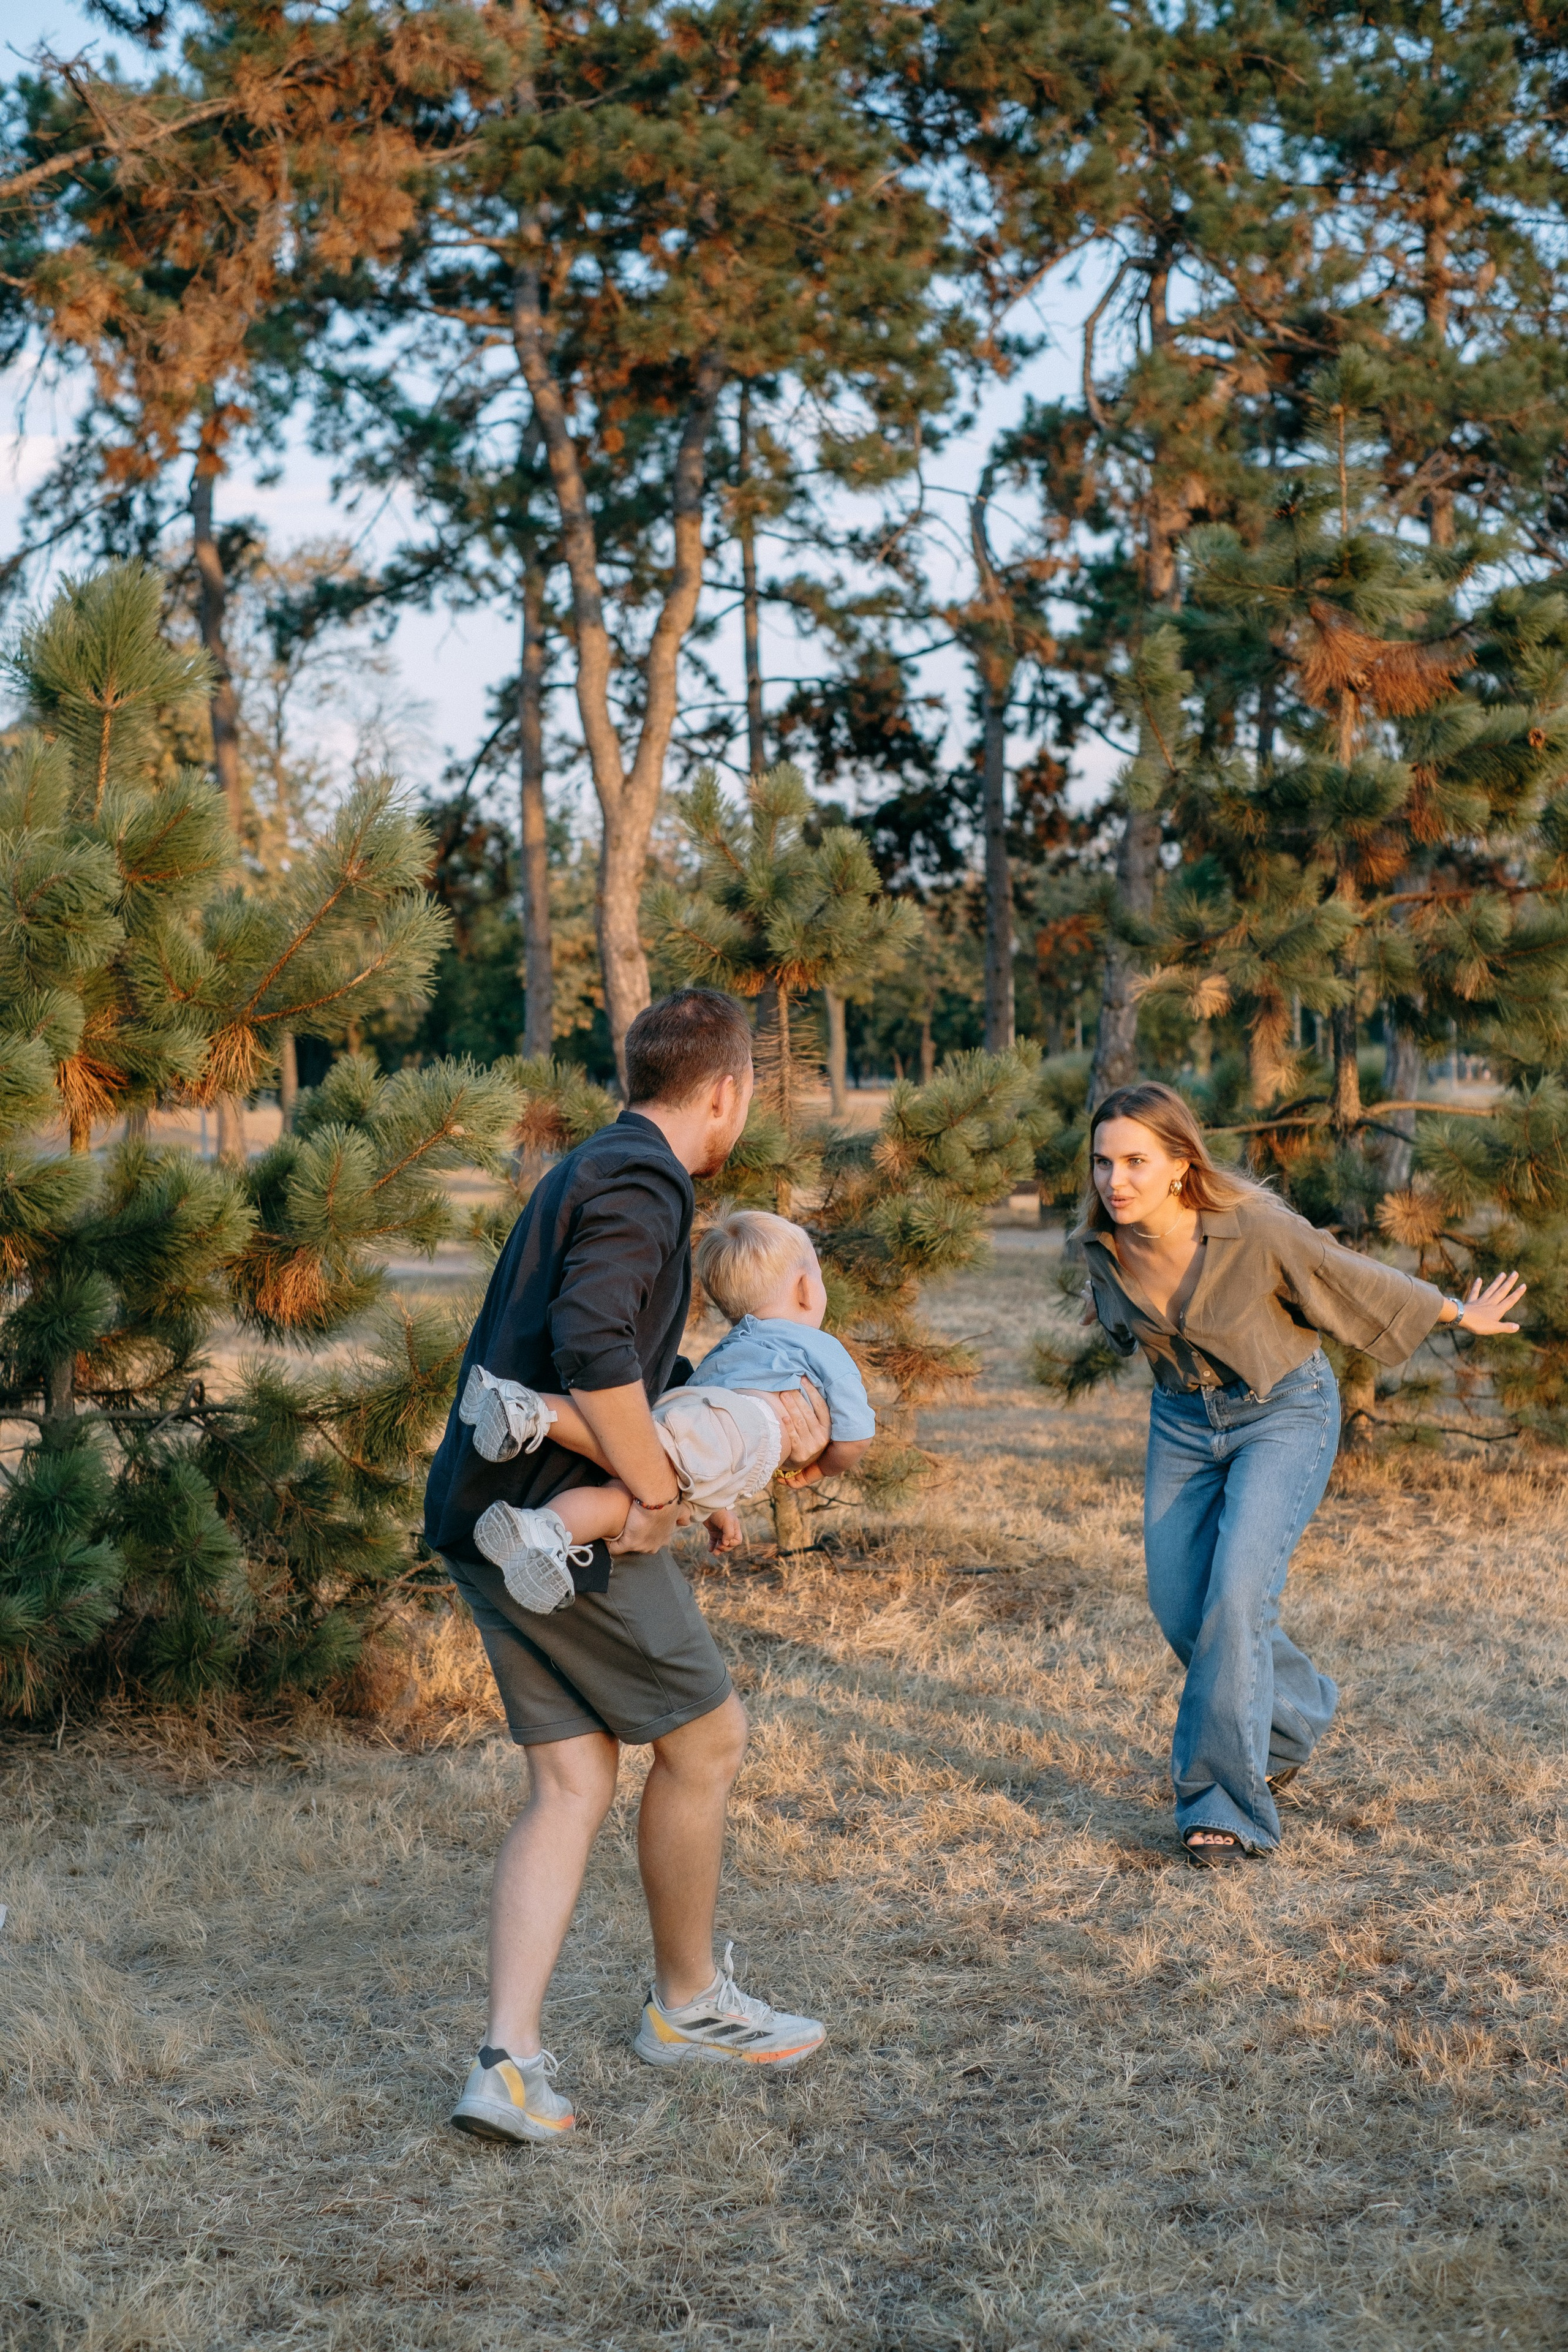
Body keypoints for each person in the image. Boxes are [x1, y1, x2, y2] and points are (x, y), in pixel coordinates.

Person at [423, 989, 831, 2148]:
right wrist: (656, 1488)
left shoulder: (591, 1166)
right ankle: (690, 2007)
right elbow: (597, 1344)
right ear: (728, 1093)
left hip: (479, 1511)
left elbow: (614, 1348)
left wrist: (677, 1445)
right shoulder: (652, 1183)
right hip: (560, 1519)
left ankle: (506, 2065)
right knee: (705, 1739)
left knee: (572, 1780)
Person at [1076, 1081, 1525, 1869]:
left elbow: (1347, 1274)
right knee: (1183, 1609)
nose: (1116, 1180)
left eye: (1136, 1161)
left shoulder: (1251, 1229)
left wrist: (1457, 1312)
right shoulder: (1104, 1248)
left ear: (1181, 1164)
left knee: (1238, 1596)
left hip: (1282, 1410)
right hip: (1182, 1424)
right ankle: (1293, 1715)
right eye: (1103, 1162)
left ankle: (1223, 1806)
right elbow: (1122, 1325)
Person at [459, 1207, 876, 1597]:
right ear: (806, 1289)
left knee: (627, 1486)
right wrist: (818, 1470)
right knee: (633, 1478)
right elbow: (856, 1436)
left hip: (710, 1431)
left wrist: (719, 1506)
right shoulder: (819, 1346)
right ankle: (533, 1413)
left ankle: (540, 1529)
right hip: (743, 1433)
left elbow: (704, 1429)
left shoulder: (731, 1347)